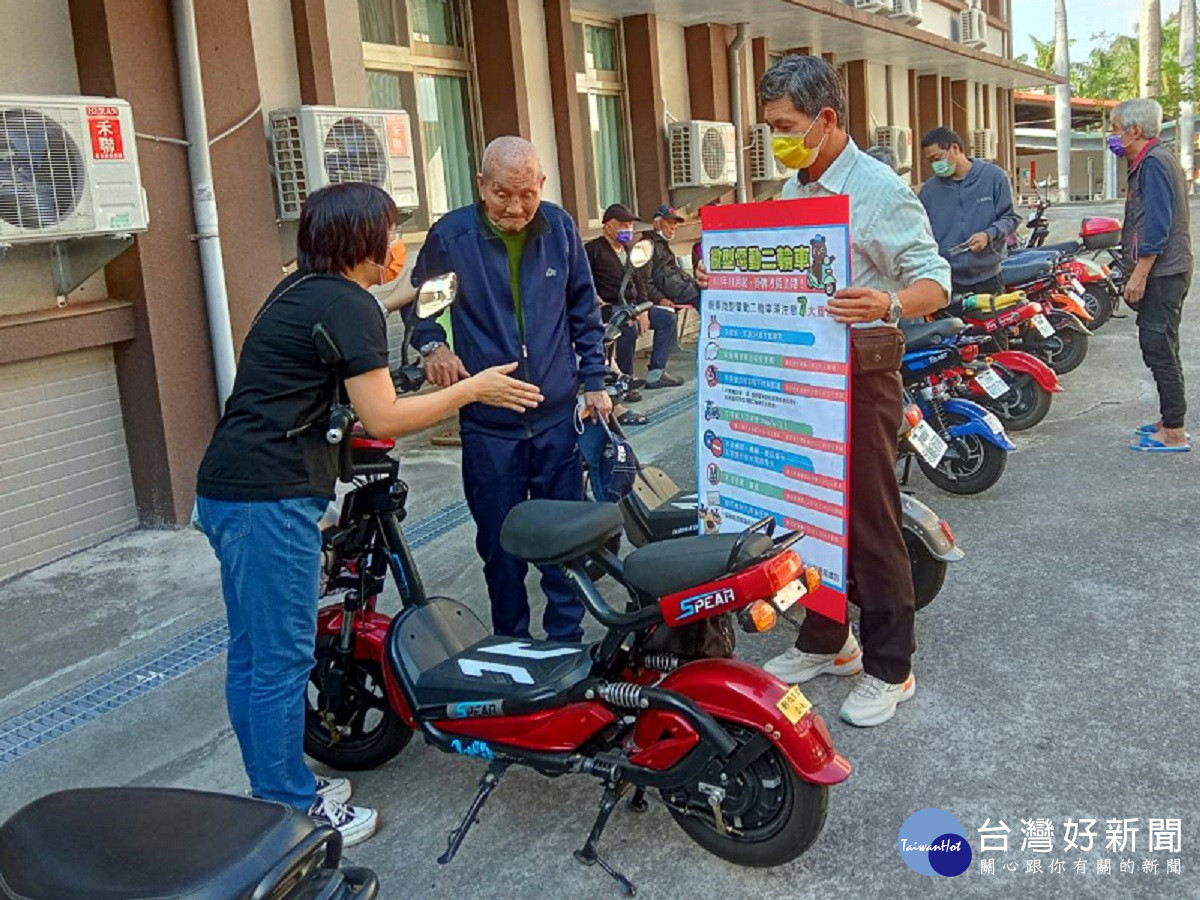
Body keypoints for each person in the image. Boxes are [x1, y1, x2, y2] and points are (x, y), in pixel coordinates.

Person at [195, 183, 542, 845]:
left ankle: (271, 788)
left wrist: (411, 293)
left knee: (254, 656)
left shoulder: (301, 290)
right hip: (268, 499)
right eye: (389, 230)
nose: (396, 242)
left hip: (231, 491)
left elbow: (355, 315)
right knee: (279, 662)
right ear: (361, 240)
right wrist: (475, 387)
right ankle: (289, 807)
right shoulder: (344, 306)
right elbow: (384, 414)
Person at [754, 55, 951, 727]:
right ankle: (827, 638)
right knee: (809, 515)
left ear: (827, 120)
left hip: (862, 381)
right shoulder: (791, 190)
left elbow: (936, 280)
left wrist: (888, 303)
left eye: (786, 125)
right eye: (770, 126)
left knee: (868, 519)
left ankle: (891, 666)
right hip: (803, 381)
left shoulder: (878, 188)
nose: (777, 137)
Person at [410, 136, 613, 641]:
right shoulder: (450, 237)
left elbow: (583, 311)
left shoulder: (560, 228)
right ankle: (512, 644)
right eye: (502, 193)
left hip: (556, 419)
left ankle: (565, 640)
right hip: (489, 427)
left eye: (527, 194)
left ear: (541, 185)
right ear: (481, 186)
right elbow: (423, 311)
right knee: (499, 548)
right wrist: (434, 347)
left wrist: (594, 382)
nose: (516, 207)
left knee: (564, 540)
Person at [1110, 98, 1193, 452]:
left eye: (1115, 129)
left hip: (1163, 273)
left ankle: (1173, 431)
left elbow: (1158, 225)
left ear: (1135, 130)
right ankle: (1169, 418)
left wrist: (1139, 274)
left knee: (1158, 347)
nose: (1112, 137)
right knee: (1162, 346)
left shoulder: (1155, 163)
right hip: (1166, 271)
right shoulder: (1149, 161)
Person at [585, 204, 684, 397]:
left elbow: (640, 282)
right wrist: (598, 300)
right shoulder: (593, 249)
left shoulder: (631, 249)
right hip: (607, 308)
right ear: (608, 226)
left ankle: (656, 372)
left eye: (630, 224)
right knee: (627, 327)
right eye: (623, 224)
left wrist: (644, 310)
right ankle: (624, 380)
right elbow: (583, 281)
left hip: (633, 306)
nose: (628, 228)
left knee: (667, 318)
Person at [918, 127, 1020, 298]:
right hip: (948, 280)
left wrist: (988, 235)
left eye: (937, 158)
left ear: (955, 148)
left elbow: (1010, 217)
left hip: (989, 276)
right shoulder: (929, 191)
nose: (936, 166)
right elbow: (921, 233)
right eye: (931, 161)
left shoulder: (993, 177)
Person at [643, 204, 701, 308]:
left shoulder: (662, 244)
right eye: (669, 223)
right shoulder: (646, 246)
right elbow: (643, 280)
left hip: (684, 289)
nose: (674, 227)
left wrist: (693, 282)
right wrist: (659, 299)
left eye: (675, 223)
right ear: (657, 223)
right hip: (677, 293)